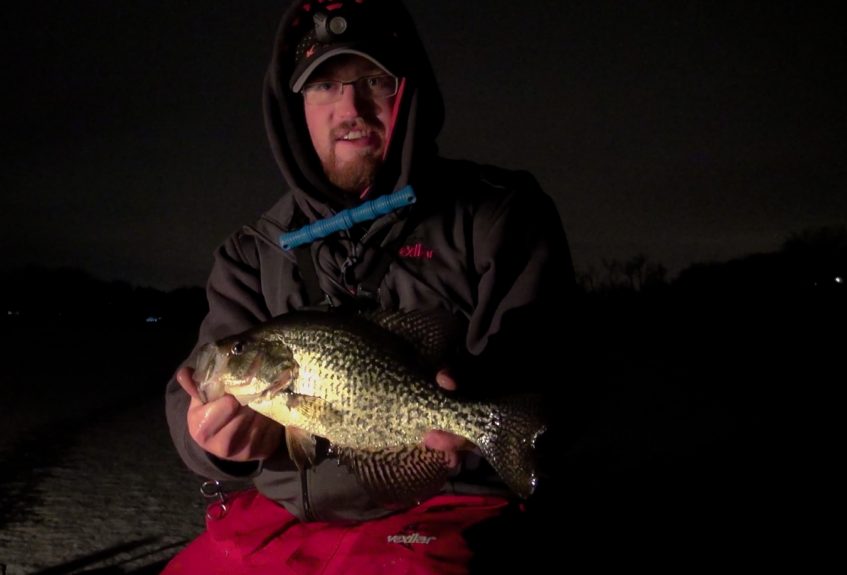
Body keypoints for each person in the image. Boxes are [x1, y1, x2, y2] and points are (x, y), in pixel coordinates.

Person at [163, 1, 574, 573]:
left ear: (410, 92)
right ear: (294, 107)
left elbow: (553, 362)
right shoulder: (253, 251)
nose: (349, 108)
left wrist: (481, 387)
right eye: (324, 86)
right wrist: (208, 439)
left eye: (374, 81)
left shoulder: (499, 214)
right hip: (282, 519)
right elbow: (195, 379)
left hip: (442, 514)